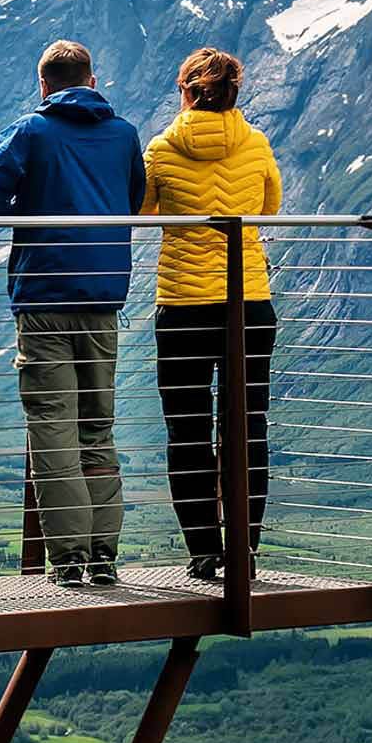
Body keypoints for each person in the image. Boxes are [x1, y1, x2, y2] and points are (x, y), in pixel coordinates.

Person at [0, 38, 142, 587]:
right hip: (103, 297)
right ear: (92, 81)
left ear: (43, 84)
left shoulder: (31, 130)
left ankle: (67, 559)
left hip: (44, 296)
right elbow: (131, 200)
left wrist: (30, 205)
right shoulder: (124, 134)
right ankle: (104, 555)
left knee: (52, 425)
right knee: (98, 426)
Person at [142, 44, 283, 583]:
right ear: (235, 93)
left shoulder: (160, 149)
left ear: (185, 92)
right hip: (248, 300)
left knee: (188, 429)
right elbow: (268, 209)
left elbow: (143, 212)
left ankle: (203, 551)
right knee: (247, 426)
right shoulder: (257, 145)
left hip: (182, 304)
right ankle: (244, 551)